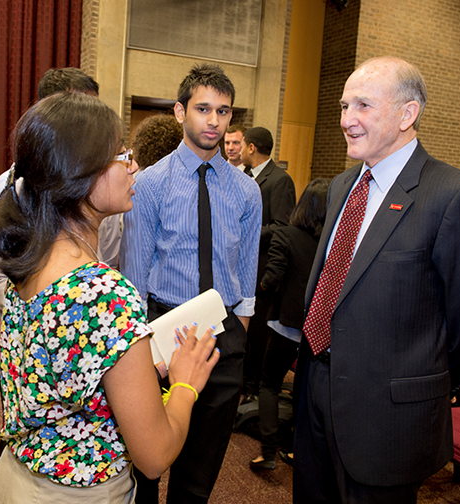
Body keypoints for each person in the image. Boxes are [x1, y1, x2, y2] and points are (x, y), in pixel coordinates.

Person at [0, 91, 220, 503]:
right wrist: (185, 385)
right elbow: (155, 456)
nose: (134, 167)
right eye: (122, 156)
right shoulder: (102, 294)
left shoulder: (30, 257)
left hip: (19, 478)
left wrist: (138, 369)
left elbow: (64, 374)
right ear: (82, 174)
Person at [292, 56, 460, 504]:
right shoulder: (341, 186)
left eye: (363, 106)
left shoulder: (455, 197)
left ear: (408, 114)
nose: (346, 120)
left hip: (387, 417)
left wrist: (419, 380)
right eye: (344, 105)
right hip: (314, 388)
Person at [121, 64, 262, 504]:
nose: (214, 121)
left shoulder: (246, 192)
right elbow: (133, 279)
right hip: (160, 331)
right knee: (146, 469)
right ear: (181, 112)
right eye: (203, 109)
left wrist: (237, 331)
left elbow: (248, 272)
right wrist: (143, 350)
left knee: (197, 478)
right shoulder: (148, 185)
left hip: (223, 338)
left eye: (223, 111)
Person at [0, 67, 123, 318]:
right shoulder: (16, 186)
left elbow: (107, 260)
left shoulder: (102, 187)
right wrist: (51, 313)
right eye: (80, 116)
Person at [249, 178, 329, 472]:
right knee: (303, 389)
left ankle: (268, 452)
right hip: (317, 328)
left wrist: (262, 289)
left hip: (286, 324)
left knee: (269, 384)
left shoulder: (286, 235)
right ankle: (297, 450)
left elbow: (272, 278)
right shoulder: (331, 241)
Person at [239, 126, 296, 400]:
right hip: (242, 265)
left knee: (258, 331)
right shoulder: (245, 176)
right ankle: (240, 379)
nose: (237, 151)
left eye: (241, 146)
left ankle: (252, 386)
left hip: (263, 267)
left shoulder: (280, 180)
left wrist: (247, 230)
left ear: (251, 148)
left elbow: (282, 226)